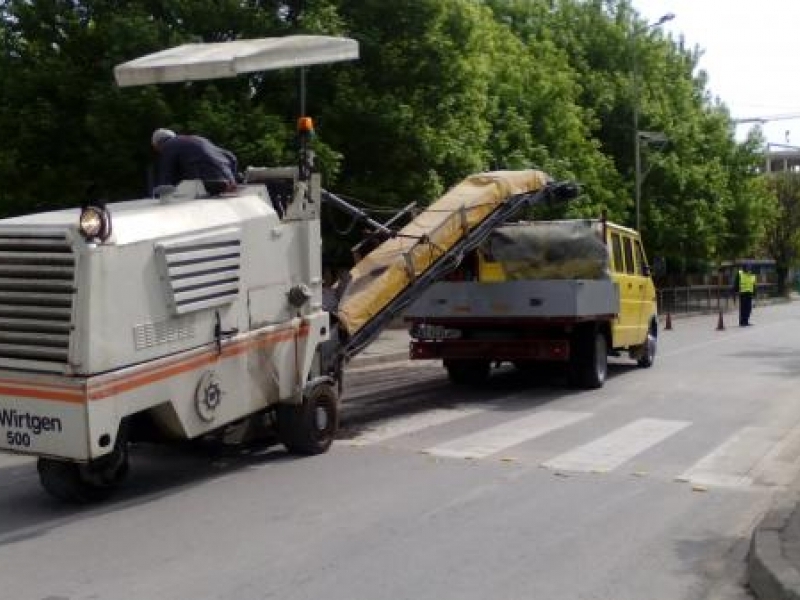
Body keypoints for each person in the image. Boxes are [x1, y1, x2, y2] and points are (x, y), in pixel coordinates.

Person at [151, 128, 238, 195]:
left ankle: (216, 184)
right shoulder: (198, 139)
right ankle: (227, 182)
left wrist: (163, 194)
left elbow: (167, 175)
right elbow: (231, 157)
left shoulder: (168, 146)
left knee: (184, 185)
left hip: (208, 180)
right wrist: (232, 177)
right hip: (228, 177)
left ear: (158, 144)